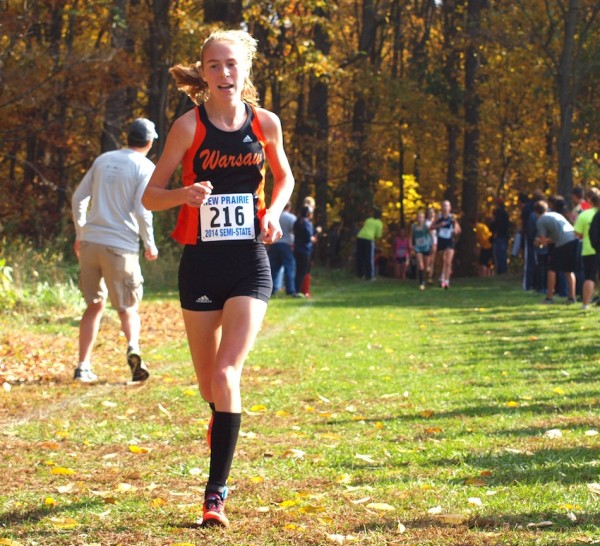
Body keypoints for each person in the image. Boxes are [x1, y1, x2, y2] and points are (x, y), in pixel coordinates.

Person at [141, 29, 294, 528]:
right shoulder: (188, 127)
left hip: (250, 260)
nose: (224, 74)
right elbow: (150, 195)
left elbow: (286, 176)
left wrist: (272, 210)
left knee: (229, 374)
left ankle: (215, 496)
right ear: (203, 73)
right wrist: (184, 194)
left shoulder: (265, 122)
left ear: (246, 69)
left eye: (232, 65)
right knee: (210, 383)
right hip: (201, 263)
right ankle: (218, 416)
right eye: (214, 65)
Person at [71, 118, 159, 384]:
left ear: (128, 137)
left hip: (90, 243)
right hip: (120, 246)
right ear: (149, 141)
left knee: (94, 306)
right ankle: (134, 349)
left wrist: (80, 233)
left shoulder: (103, 159)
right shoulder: (144, 166)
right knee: (127, 308)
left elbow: (78, 199)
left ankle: (82, 366)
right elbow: (143, 209)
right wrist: (149, 243)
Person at [534, 200, 578, 304]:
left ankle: (549, 298)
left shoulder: (541, 220)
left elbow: (543, 242)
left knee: (551, 269)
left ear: (536, 212)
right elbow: (557, 236)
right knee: (569, 270)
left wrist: (538, 242)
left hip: (562, 243)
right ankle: (572, 298)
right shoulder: (555, 214)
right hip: (573, 238)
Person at [573, 188, 599, 309]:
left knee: (589, 276)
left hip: (589, 249)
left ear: (589, 200)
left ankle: (585, 304)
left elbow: (577, 233)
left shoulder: (584, 214)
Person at [430, 200, 461, 289]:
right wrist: (439, 225)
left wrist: (455, 229)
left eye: (447, 206)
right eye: (444, 206)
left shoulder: (452, 218)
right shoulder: (438, 216)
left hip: (449, 241)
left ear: (450, 208)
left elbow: (459, 230)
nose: (445, 208)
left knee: (448, 261)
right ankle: (441, 277)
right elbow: (431, 227)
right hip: (441, 240)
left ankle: (446, 281)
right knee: (441, 261)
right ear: (441, 208)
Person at [268, 201, 296, 296]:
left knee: (273, 268)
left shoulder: (273, 217)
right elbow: (294, 231)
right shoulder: (291, 218)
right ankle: (290, 289)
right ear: (289, 207)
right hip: (286, 245)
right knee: (289, 267)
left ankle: (271, 289)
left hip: (274, 244)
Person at [294, 205, 317, 296]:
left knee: (298, 270)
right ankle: (301, 290)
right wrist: (316, 234)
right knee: (304, 271)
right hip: (305, 250)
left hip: (297, 249)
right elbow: (308, 237)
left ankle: (297, 289)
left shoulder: (297, 222)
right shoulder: (307, 223)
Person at [356, 208, 383, 280]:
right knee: (369, 257)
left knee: (360, 256)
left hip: (360, 237)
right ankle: (369, 275)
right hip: (369, 239)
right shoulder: (379, 223)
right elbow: (378, 235)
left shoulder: (368, 220)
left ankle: (360, 274)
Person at [409, 210, 433, 290]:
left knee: (426, 268)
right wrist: (411, 246)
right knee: (420, 264)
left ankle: (427, 276)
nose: (420, 219)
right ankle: (421, 283)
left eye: (422, 218)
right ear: (417, 218)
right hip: (418, 247)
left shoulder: (426, 227)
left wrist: (431, 245)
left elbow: (431, 235)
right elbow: (411, 236)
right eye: (419, 217)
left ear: (424, 219)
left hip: (426, 247)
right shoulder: (414, 227)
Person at [490, 198, 510, 274]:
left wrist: (494, 231)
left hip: (499, 235)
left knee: (499, 254)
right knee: (503, 254)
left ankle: (501, 270)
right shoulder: (505, 213)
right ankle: (503, 270)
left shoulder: (498, 214)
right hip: (504, 235)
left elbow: (495, 224)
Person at [425, 207, 438, 285]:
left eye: (432, 212)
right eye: (430, 212)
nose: (431, 214)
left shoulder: (436, 222)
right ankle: (426, 276)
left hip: (436, 242)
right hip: (428, 243)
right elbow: (429, 231)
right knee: (428, 260)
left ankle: (430, 276)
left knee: (432, 261)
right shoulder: (426, 222)